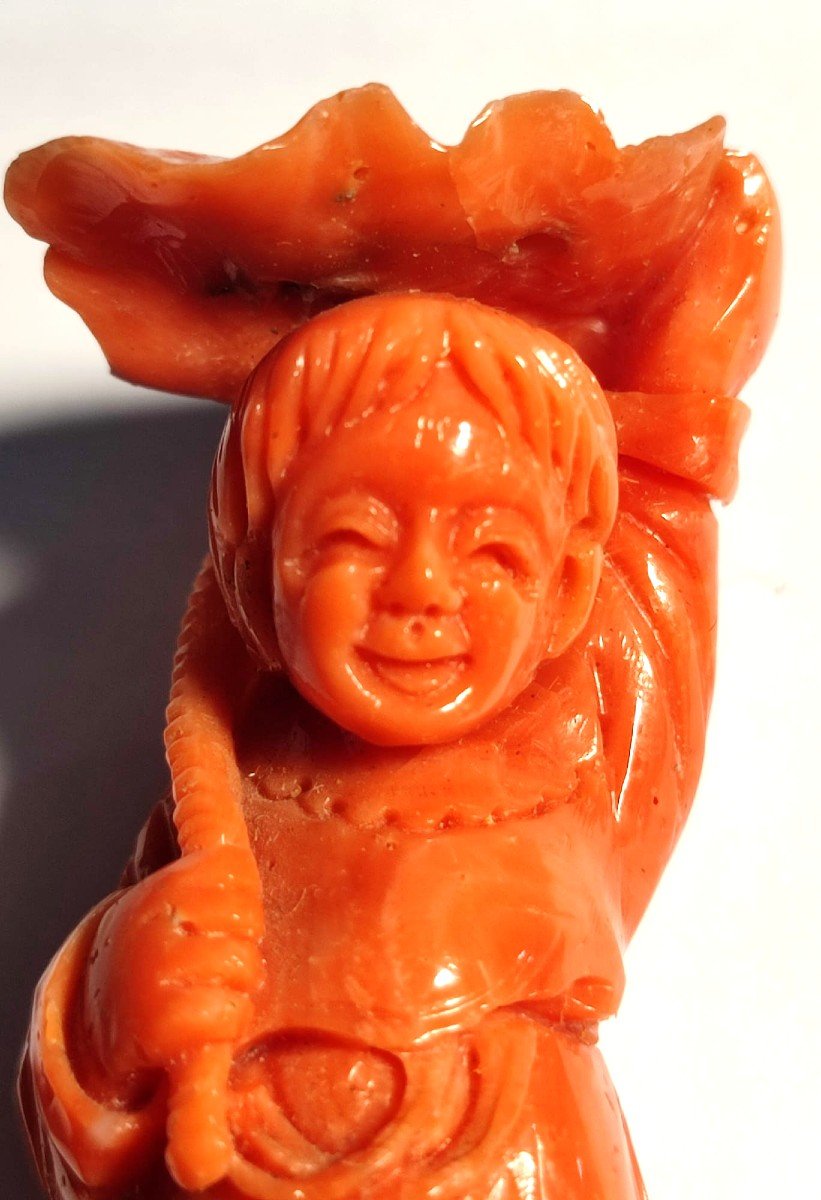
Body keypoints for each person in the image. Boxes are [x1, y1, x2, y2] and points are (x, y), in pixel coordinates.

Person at [20, 292, 753, 1200]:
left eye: (491, 551)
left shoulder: (592, 751)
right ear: (258, 577)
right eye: (353, 537)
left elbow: (675, 476)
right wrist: (116, 994)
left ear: (565, 591)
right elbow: (87, 1122)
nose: (420, 590)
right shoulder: (227, 795)